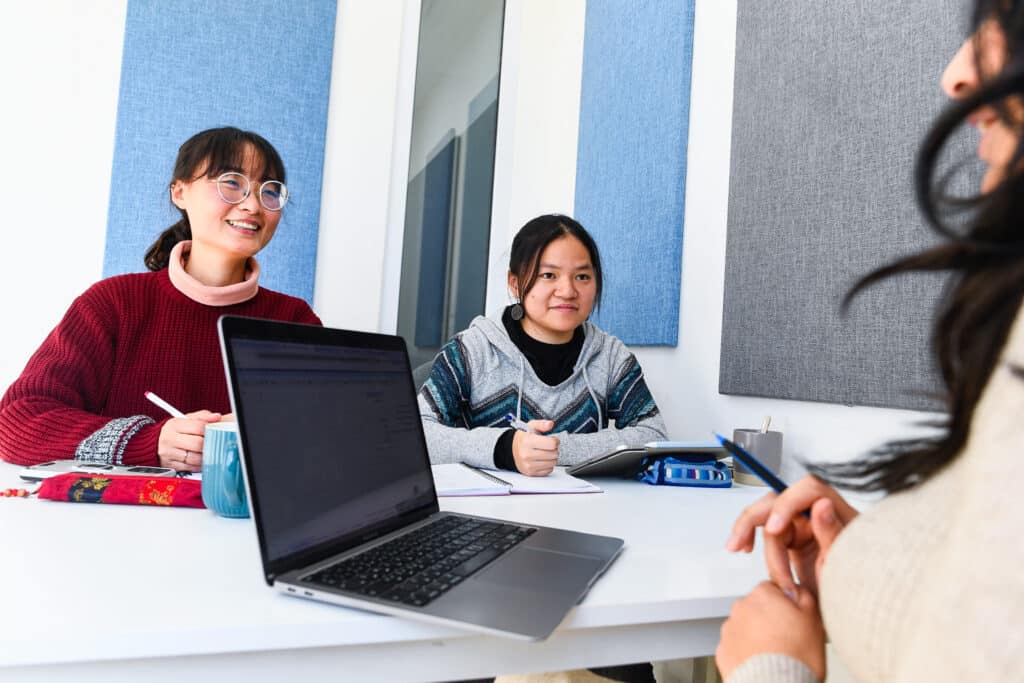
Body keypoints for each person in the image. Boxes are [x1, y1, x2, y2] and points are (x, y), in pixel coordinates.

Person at [716, 3, 1024, 681]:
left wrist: (771, 668)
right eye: (551, 276)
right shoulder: (479, 349)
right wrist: (865, 551)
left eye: (1000, 20)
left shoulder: (612, 356)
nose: (955, 75)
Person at [0, 127, 321, 473]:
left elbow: (329, 436)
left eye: (269, 191)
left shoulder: (293, 320)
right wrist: (148, 442)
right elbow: (18, 423)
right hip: (117, 524)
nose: (253, 204)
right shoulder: (113, 304)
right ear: (180, 191)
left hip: (242, 526)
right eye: (231, 182)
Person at [419, 214, 668, 477]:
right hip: (491, 510)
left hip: (583, 510)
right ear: (514, 283)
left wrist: (554, 449)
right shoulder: (471, 350)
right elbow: (418, 433)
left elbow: (654, 436)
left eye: (582, 276)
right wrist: (505, 447)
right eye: (549, 275)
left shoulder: (610, 356)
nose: (568, 291)